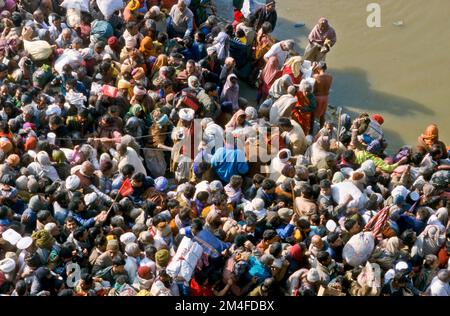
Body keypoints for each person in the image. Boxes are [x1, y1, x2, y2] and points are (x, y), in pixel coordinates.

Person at [312, 62, 333, 128]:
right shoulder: (330, 77)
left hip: (317, 97)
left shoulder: (316, 76)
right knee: (322, 115)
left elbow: (314, 88)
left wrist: (314, 69)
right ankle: (321, 128)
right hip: (326, 97)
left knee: (312, 114)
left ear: (318, 68)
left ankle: (310, 130)